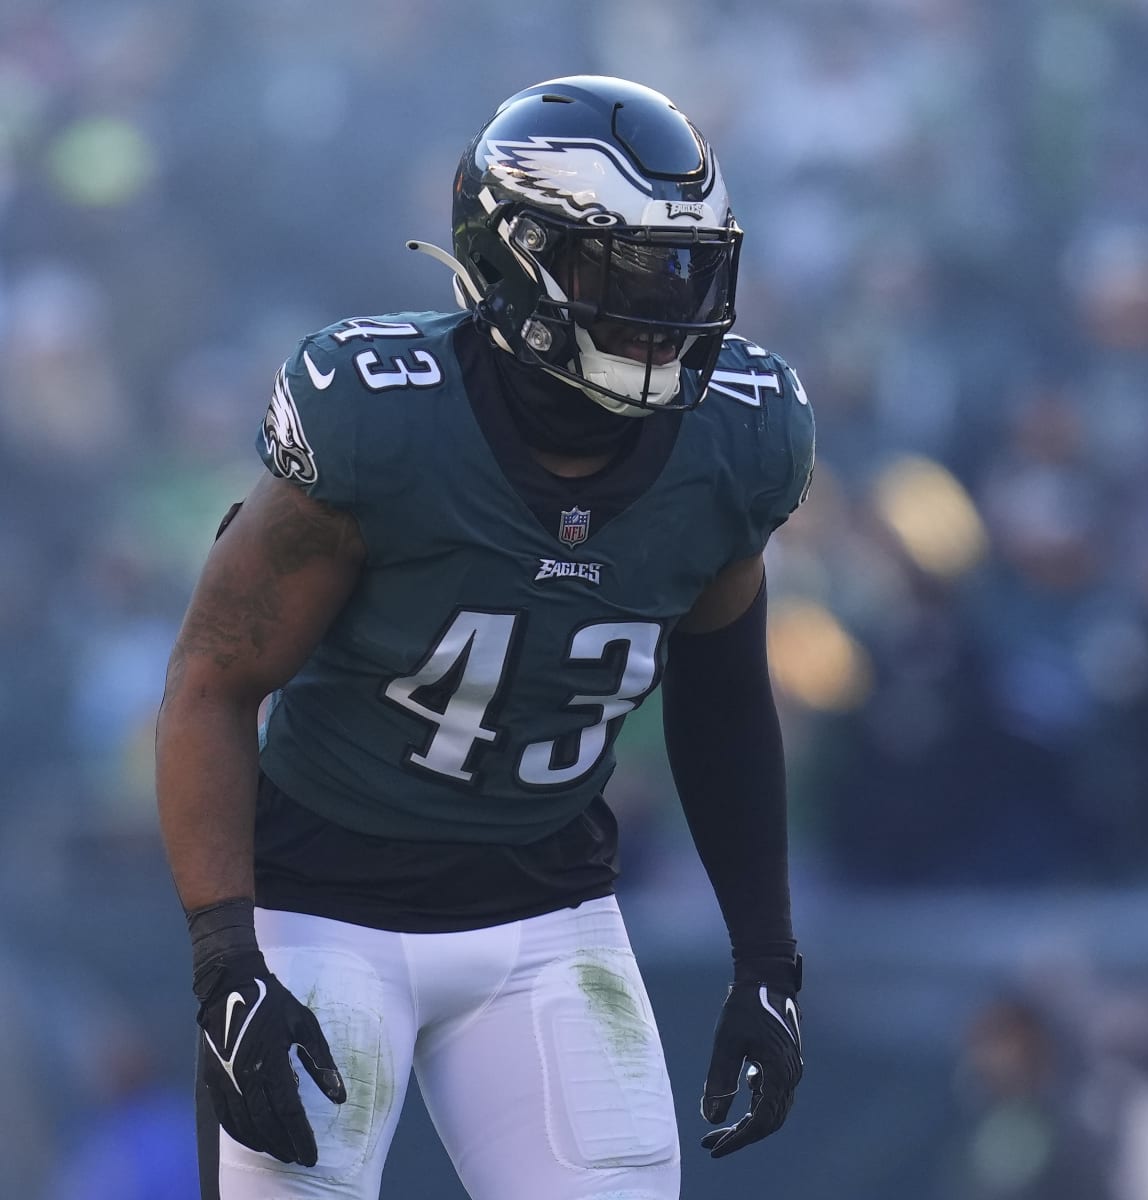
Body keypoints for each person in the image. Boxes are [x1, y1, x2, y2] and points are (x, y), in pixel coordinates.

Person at [154, 75, 813, 1199]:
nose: (668, 309)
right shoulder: (381, 416)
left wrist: (769, 958)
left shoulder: (737, 442)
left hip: (551, 910)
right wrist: (226, 956)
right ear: (518, 260)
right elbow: (214, 681)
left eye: (686, 270)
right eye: (626, 271)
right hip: (322, 909)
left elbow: (722, 702)